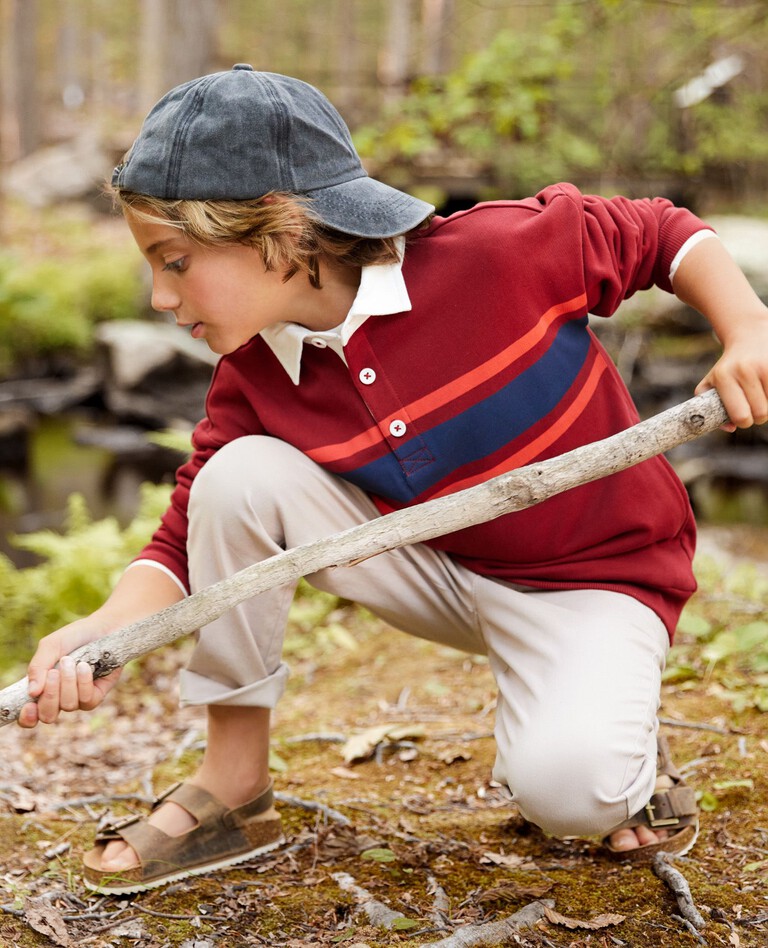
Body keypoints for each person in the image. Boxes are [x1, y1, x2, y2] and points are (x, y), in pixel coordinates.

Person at [18, 65, 768, 895]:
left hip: (594, 583)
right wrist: (108, 629)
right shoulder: (257, 370)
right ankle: (233, 781)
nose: (159, 297)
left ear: (279, 229)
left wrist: (746, 327)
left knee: (574, 795)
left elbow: (661, 233)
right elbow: (187, 536)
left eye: (175, 260)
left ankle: (623, 745)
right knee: (238, 476)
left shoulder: (499, 253)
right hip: (437, 571)